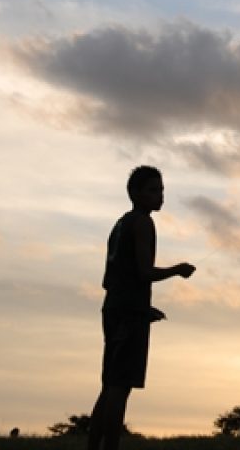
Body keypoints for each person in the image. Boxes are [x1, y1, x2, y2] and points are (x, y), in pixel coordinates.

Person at [87, 166, 195, 450]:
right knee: (120, 387)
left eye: (161, 190)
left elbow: (114, 278)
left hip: (114, 308)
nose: (160, 196)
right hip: (127, 313)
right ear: (135, 194)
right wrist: (178, 270)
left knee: (110, 384)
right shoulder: (142, 223)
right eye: (153, 190)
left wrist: (144, 308)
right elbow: (144, 272)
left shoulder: (120, 224)